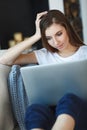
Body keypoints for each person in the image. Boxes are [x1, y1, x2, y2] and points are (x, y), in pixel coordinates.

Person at [0, 9, 87, 130]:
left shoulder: (85, 53)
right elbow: (4, 60)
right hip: (51, 111)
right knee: (34, 109)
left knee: (69, 99)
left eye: (59, 34)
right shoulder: (44, 54)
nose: (55, 42)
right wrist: (36, 35)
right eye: (49, 38)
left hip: (79, 111)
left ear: (67, 29)